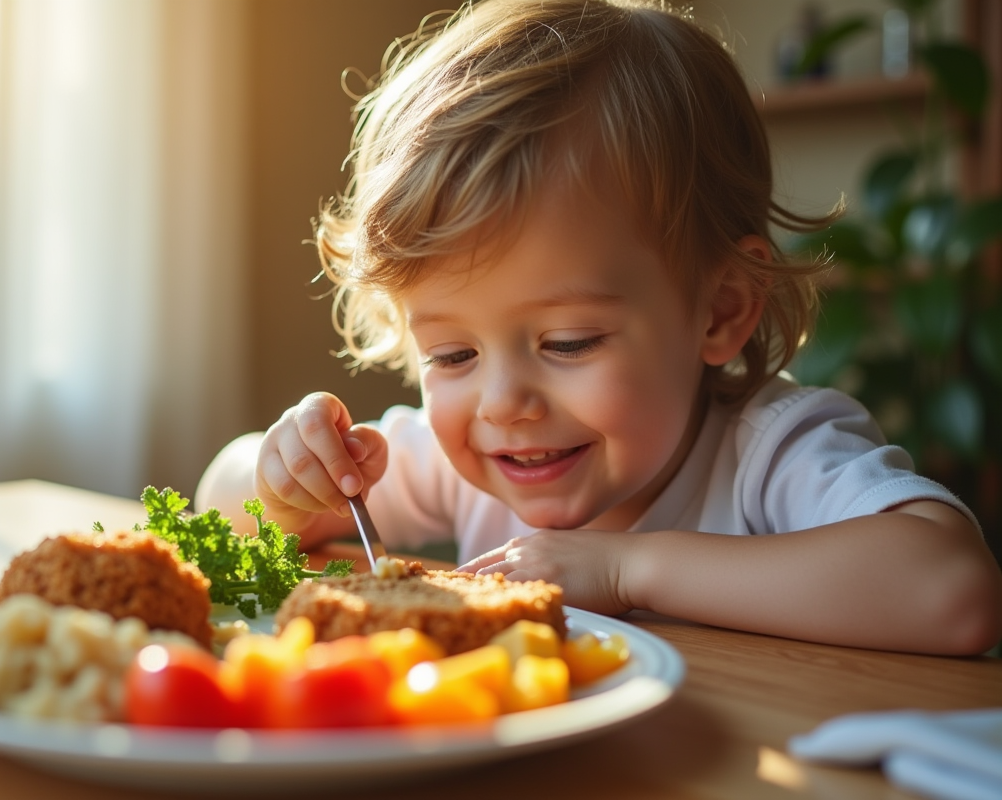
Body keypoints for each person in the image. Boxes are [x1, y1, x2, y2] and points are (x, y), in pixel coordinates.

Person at [199, 0, 1002, 655]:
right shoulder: (463, 459)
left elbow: (950, 592)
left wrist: (628, 568)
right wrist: (281, 479)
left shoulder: (770, 450)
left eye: (568, 342)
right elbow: (216, 513)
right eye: (452, 353)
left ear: (719, 311)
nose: (504, 402)